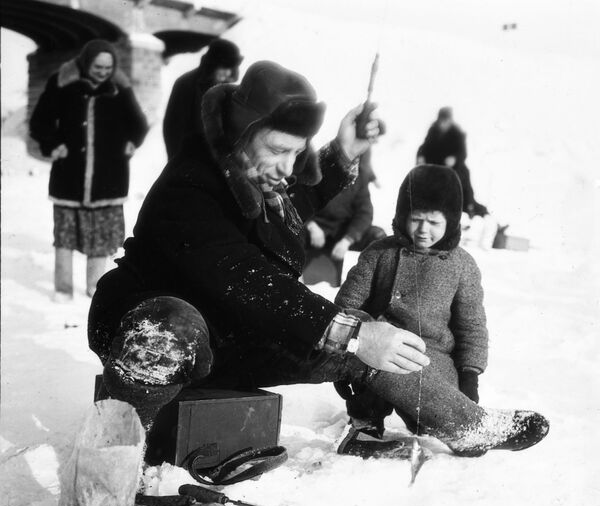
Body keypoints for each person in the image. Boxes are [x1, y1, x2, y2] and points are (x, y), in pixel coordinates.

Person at [88, 61, 548, 465]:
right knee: (175, 325)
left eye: (296, 152)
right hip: (153, 332)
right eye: (277, 150)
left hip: (227, 335)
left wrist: (342, 153)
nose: (288, 168)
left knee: (372, 345)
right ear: (240, 132)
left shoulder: (248, 175)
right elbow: (247, 276)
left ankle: (467, 426)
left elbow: (284, 215)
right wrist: (350, 332)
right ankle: (116, 459)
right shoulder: (189, 187)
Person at [334, 165, 489, 453]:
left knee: (436, 417)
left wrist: (470, 377)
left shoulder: (461, 265)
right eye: (416, 219)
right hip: (378, 356)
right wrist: (353, 347)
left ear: (451, 222)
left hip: (432, 362)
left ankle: (467, 429)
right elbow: (346, 306)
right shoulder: (380, 253)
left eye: (434, 222)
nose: (423, 230)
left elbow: (472, 326)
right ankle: (364, 428)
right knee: (371, 370)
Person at [30, 39, 149, 300]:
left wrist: (132, 141)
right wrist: (53, 145)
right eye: (98, 66)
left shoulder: (120, 88)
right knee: (65, 234)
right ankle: (63, 290)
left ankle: (95, 288)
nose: (103, 72)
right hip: (69, 173)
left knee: (101, 236)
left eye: (108, 67)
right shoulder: (62, 83)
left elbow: (139, 124)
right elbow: (39, 122)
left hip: (109, 176)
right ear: (86, 62)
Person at [303, 149, 386, 285]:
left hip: (340, 231)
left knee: (377, 236)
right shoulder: (318, 167)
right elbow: (298, 200)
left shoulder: (359, 176)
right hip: (313, 229)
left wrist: (348, 239)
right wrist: (311, 226)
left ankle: (367, 284)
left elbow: (365, 213)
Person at [163, 38, 243, 160]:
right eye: (223, 67)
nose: (227, 73)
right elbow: (172, 129)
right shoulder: (185, 84)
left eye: (230, 68)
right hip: (189, 159)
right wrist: (178, 163)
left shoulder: (228, 90)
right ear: (212, 65)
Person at [417, 107, 488, 218]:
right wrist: (420, 156)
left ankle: (470, 207)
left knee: (462, 180)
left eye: (446, 121)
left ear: (450, 120)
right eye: (441, 120)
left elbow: (462, 153)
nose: (443, 124)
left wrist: (454, 158)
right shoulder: (433, 130)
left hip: (454, 167)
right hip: (435, 165)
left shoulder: (458, 133)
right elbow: (424, 146)